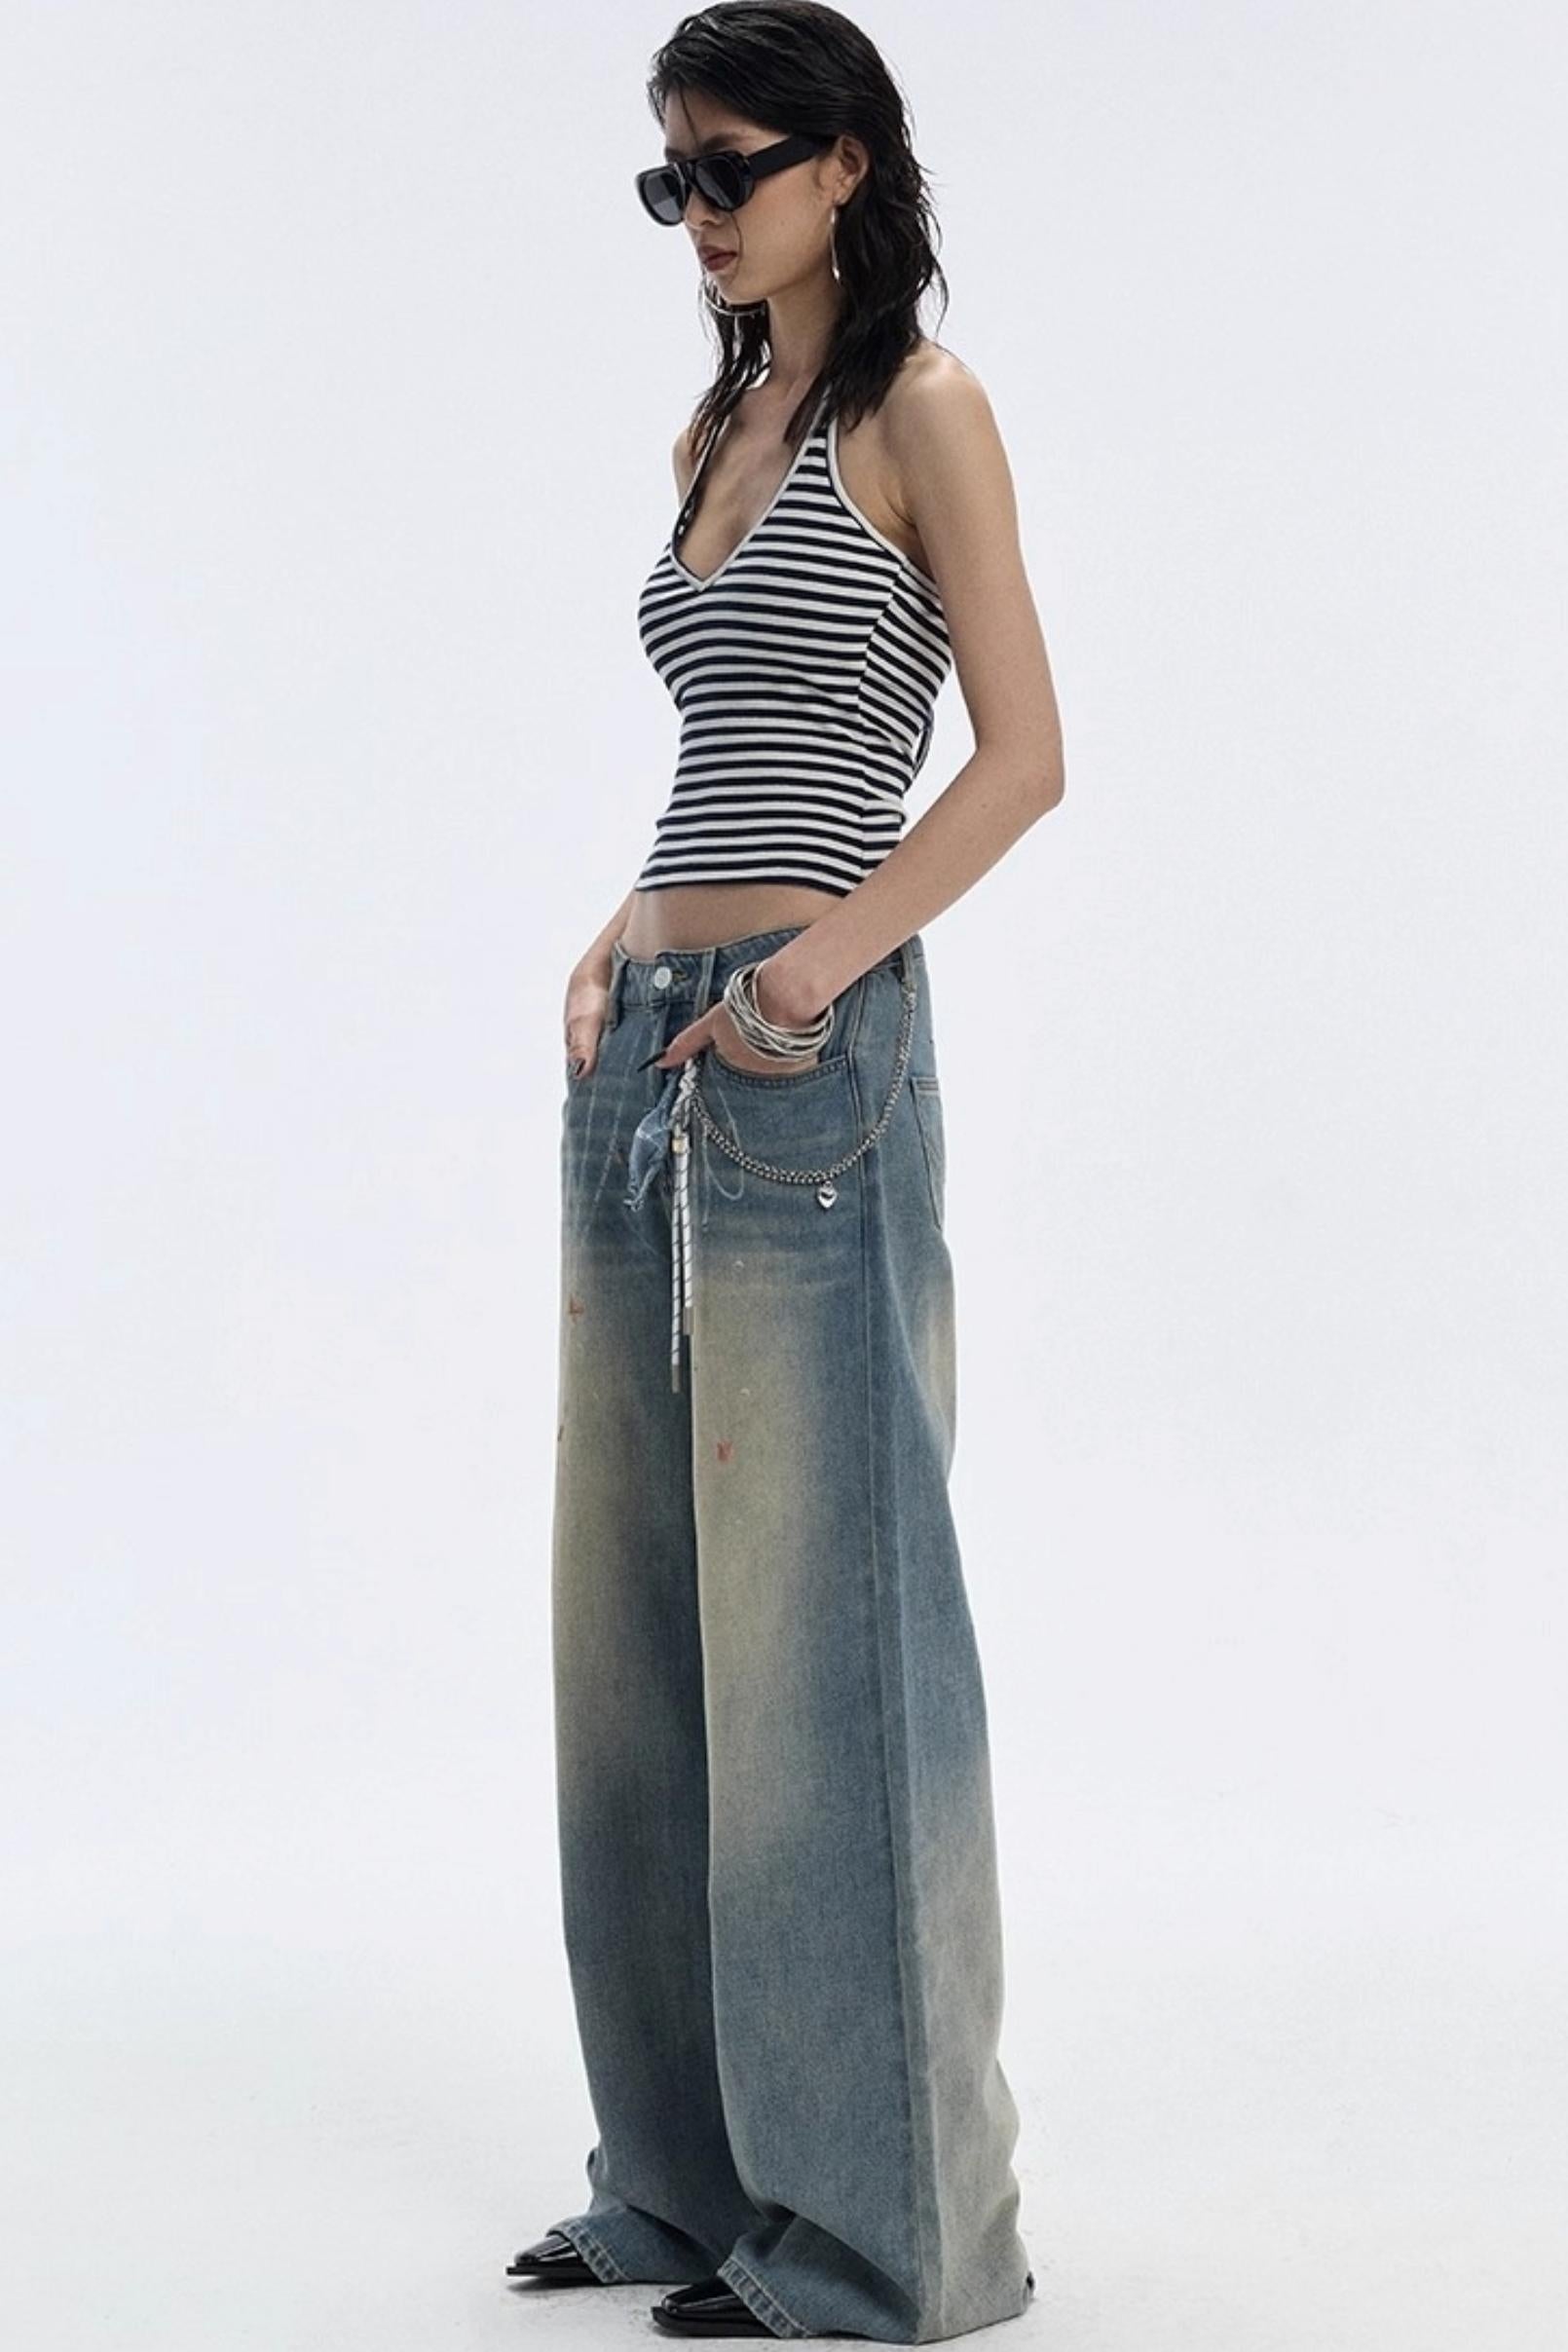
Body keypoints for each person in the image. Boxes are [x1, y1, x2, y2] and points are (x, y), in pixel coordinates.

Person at [507, 4, 1064, 2339]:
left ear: (846, 165)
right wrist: (623, 931)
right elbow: (733, 747)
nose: (700, 214)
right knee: (639, 1628)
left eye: (730, 166)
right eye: (672, 179)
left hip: (804, 1060)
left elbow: (1020, 758)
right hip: (652, 1041)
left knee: (829, 1636)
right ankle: (682, 2176)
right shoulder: (715, 424)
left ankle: (877, 2222)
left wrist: (811, 968)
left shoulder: (919, 408)